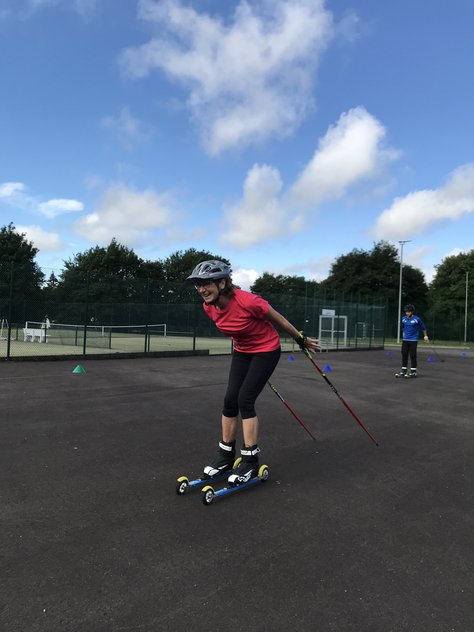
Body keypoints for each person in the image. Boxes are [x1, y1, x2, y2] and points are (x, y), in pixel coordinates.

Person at [187, 260, 319, 485]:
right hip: (243, 352)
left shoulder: (249, 301)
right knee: (230, 400)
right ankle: (225, 457)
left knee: (245, 399)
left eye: (206, 283)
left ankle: (250, 460)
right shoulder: (208, 307)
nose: (201, 289)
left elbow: (279, 319)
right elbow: (235, 328)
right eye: (198, 284)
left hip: (266, 350)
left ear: (222, 283)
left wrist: (300, 339)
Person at [395, 304, 429, 378]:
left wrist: (425, 336)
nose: (407, 313)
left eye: (409, 312)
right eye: (406, 312)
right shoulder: (403, 319)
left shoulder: (417, 319)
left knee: (412, 355)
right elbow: (403, 327)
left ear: (412, 312)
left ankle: (413, 372)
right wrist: (404, 333)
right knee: (404, 354)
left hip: (413, 340)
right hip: (405, 340)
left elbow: (423, 327)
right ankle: (404, 371)